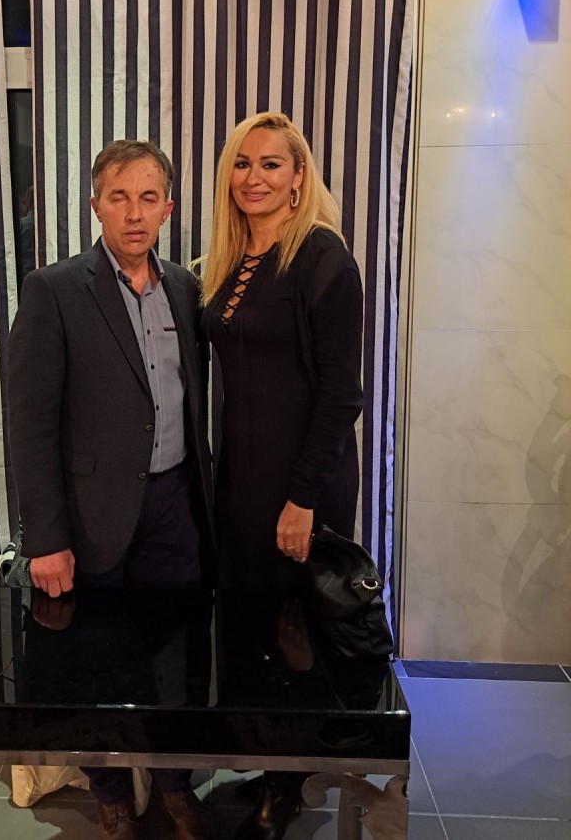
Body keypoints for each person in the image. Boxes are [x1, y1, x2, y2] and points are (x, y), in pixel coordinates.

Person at [8, 139, 215, 840]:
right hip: (90, 518)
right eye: (119, 197)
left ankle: (175, 785)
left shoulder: (186, 289)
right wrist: (46, 538)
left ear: (168, 208)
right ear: (96, 205)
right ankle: (110, 793)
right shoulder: (55, 289)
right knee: (94, 663)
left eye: (148, 197)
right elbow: (31, 422)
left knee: (175, 660)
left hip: (174, 507)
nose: (134, 213)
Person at [201, 112, 364, 839]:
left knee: (296, 632)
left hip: (301, 485)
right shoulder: (229, 258)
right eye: (242, 163)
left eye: (271, 164)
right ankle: (267, 758)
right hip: (241, 481)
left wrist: (302, 498)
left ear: (299, 177)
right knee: (251, 627)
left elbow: (341, 395)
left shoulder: (322, 256)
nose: (254, 177)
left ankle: (288, 784)